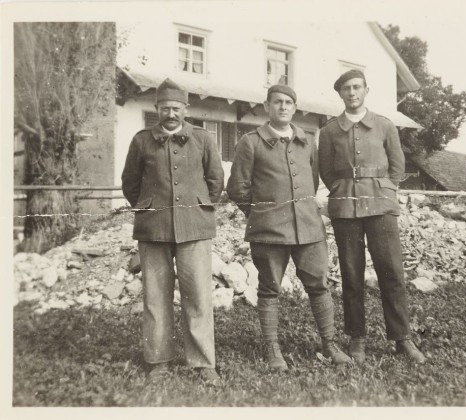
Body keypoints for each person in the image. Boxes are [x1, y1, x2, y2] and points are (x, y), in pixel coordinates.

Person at [227, 84, 352, 371]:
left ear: (294, 108)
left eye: (288, 103)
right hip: (269, 230)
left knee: (319, 285)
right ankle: (272, 349)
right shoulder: (251, 142)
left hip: (309, 227)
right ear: (266, 107)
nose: (283, 107)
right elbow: (237, 187)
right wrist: (261, 214)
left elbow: (313, 179)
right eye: (277, 102)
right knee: (269, 288)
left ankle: (329, 343)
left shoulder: (307, 140)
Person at [318, 70, 426, 364]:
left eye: (357, 87)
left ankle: (402, 338)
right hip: (346, 208)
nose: (352, 93)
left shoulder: (384, 125)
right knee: (352, 275)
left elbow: (397, 167)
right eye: (346, 89)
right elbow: (326, 171)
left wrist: (384, 190)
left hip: (381, 206)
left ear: (366, 90)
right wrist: (343, 189)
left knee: (391, 272)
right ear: (340, 94)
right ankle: (357, 338)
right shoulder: (329, 131)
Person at [121, 78, 225, 383]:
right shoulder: (141, 141)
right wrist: (150, 204)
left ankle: (204, 363)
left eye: (176, 108)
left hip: (195, 226)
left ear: (185, 109)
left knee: (198, 296)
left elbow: (215, 180)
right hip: (153, 228)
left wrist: (199, 206)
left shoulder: (203, 139)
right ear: (157, 108)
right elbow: (130, 183)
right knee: (155, 296)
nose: (170, 113)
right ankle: (158, 361)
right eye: (165, 107)